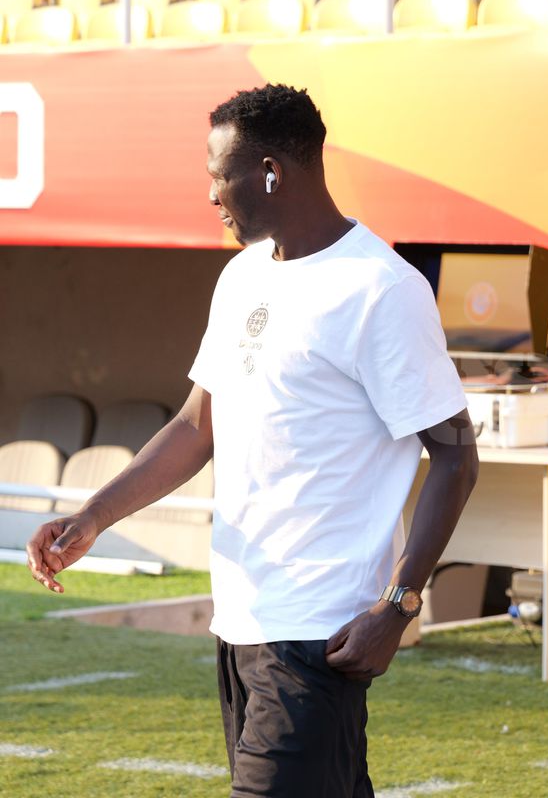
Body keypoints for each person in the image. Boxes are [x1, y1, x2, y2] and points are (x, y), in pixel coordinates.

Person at [26, 84, 479, 798]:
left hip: (319, 633)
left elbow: (456, 455)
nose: (210, 194)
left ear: (270, 172)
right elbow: (195, 426)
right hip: (240, 621)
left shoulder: (381, 289)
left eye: (219, 175)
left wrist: (398, 605)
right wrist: (92, 516)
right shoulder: (240, 277)